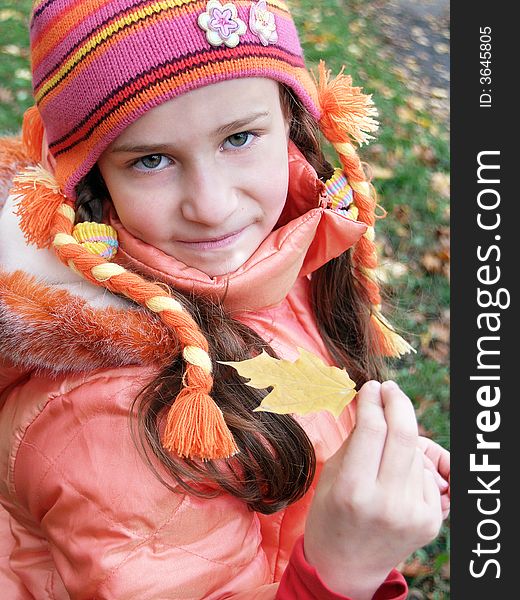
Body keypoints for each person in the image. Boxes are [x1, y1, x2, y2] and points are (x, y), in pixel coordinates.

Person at [0, 1, 450, 598]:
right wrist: (342, 567)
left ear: (291, 122)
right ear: (90, 178)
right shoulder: (110, 423)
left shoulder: (274, 250)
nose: (211, 206)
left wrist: (355, 458)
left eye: (238, 137)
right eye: (151, 160)